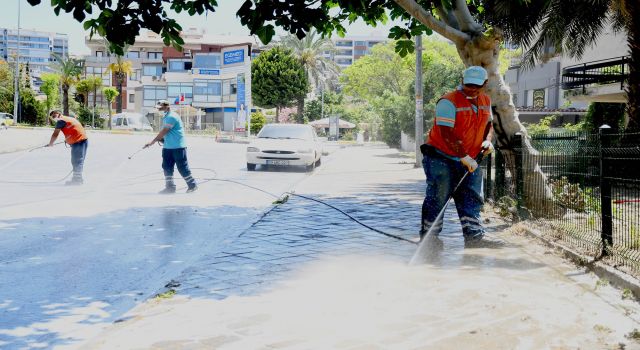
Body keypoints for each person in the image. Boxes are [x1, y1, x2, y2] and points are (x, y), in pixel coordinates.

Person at [419, 66, 501, 247]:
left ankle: (475, 237)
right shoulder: (448, 102)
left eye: (476, 86)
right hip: (440, 157)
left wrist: (487, 141)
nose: (471, 88)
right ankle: (429, 239)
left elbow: (489, 125)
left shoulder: (485, 100)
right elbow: (446, 133)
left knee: (471, 198)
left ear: (485, 84)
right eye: (468, 84)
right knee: (438, 197)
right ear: (462, 81)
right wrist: (463, 156)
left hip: (470, 158)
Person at [144, 100, 198, 194]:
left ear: (167, 107)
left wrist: (152, 142)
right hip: (168, 147)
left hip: (178, 147)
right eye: (158, 108)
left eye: (160, 108)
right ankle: (170, 188)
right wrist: (162, 139)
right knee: (167, 167)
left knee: (182, 167)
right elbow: (166, 133)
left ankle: (192, 185)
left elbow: (165, 131)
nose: (159, 110)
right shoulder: (166, 117)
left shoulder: (172, 116)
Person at [47, 110, 88, 185]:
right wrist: (68, 138)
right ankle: (78, 178)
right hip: (83, 140)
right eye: (52, 117)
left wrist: (50, 144)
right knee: (78, 160)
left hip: (78, 141)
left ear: (59, 114)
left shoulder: (60, 121)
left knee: (77, 161)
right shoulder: (68, 118)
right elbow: (73, 129)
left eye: (54, 115)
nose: (54, 118)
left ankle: (77, 180)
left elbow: (55, 134)